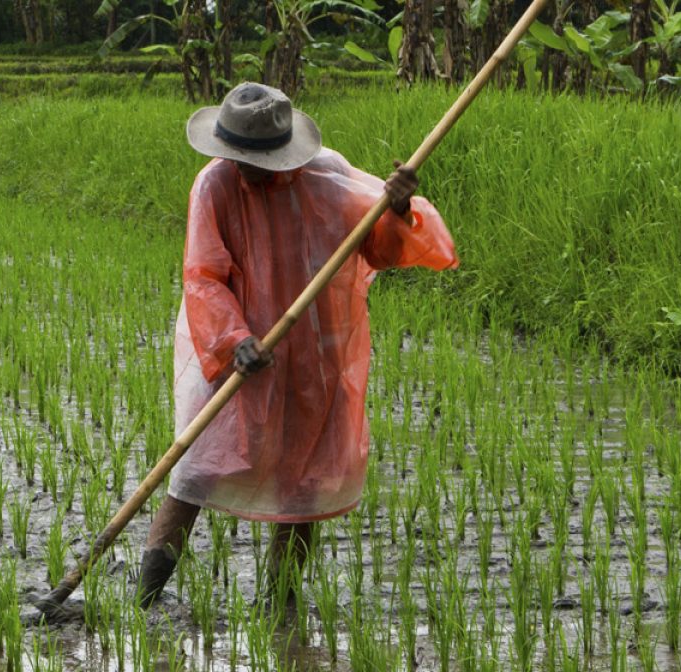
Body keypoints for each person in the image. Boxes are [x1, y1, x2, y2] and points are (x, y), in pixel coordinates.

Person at [137, 82, 458, 610]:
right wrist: (235, 339)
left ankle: (279, 602)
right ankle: (145, 598)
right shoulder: (214, 185)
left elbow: (376, 248)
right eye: (234, 157)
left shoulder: (327, 176)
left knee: (305, 480)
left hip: (316, 348)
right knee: (194, 470)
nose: (243, 168)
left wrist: (397, 209)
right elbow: (204, 276)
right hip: (235, 348)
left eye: (254, 161)